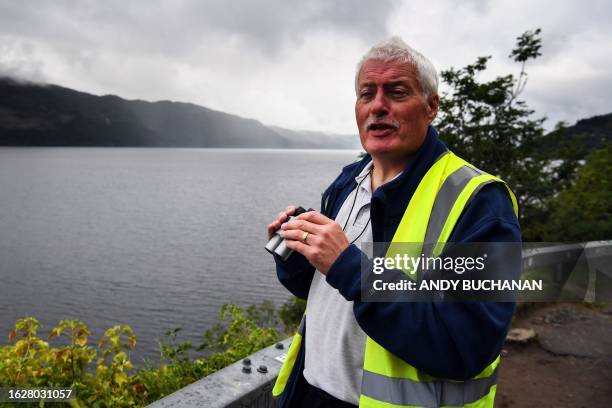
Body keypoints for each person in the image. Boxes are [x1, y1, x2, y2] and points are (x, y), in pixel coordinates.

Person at [267, 37, 520, 408]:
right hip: (306, 393)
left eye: (396, 92)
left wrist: (350, 267)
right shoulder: (346, 181)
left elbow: (466, 344)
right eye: (367, 93)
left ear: (431, 106)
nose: (378, 106)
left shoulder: (480, 201)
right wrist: (295, 252)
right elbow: (326, 293)